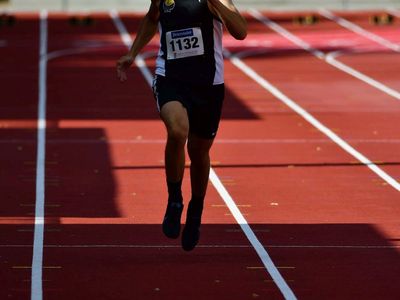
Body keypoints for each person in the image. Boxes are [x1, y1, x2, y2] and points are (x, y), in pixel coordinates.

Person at [116, 0, 247, 251]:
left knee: (199, 152)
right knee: (177, 130)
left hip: (208, 85)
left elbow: (241, 31)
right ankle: (175, 199)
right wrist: (132, 53)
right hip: (171, 78)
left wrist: (217, 5)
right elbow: (152, 18)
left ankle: (196, 210)